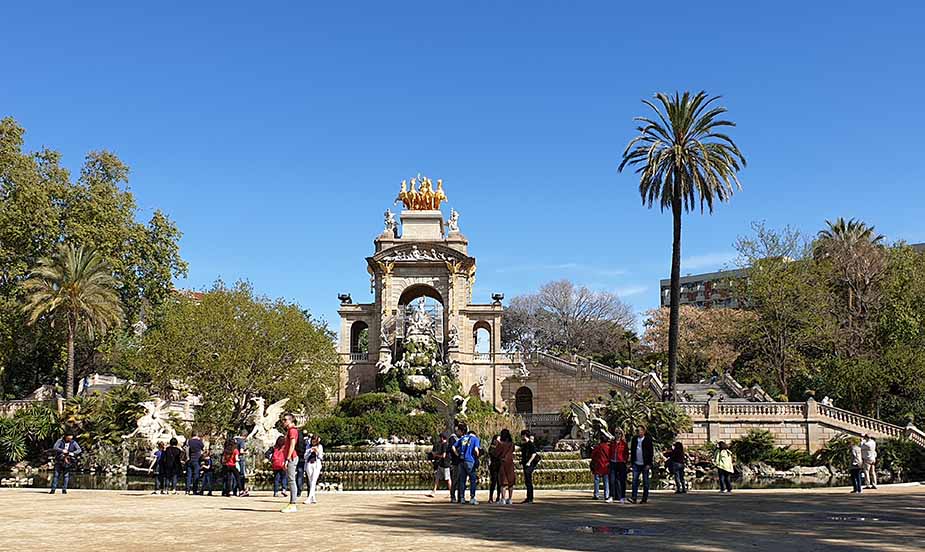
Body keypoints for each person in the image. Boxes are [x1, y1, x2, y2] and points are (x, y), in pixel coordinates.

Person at [453, 423, 481, 505]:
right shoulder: (475, 439)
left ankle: (462, 497)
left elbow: (453, 446)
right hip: (470, 460)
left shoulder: (463, 439)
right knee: (472, 480)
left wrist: (457, 454)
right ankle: (472, 497)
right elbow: (476, 450)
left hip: (462, 461)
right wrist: (477, 456)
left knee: (462, 480)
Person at [281, 413, 300, 513]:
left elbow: (292, 445)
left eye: (285, 420)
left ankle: (293, 503)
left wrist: (287, 459)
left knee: (292, 480)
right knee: (290, 480)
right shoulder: (289, 431)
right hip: (290, 457)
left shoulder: (292, 431)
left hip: (292, 458)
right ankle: (292, 503)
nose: (283, 422)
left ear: (290, 421)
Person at [629, 425, 653, 503]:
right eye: (637, 430)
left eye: (639, 430)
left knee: (645, 482)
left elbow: (650, 452)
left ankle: (644, 498)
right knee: (634, 481)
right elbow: (632, 450)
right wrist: (631, 462)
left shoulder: (648, 440)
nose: (638, 432)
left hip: (645, 463)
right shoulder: (634, 439)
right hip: (636, 463)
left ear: (643, 431)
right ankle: (634, 497)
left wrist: (649, 463)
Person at [495, 429, 516, 505]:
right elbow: (513, 451)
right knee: (510, 482)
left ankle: (503, 498)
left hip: (503, 463)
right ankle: (510, 499)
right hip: (510, 463)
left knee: (503, 482)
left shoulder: (500, 444)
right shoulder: (511, 444)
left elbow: (496, 453)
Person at [429, 433, 452, 499]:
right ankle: (434, 491)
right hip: (441, 464)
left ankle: (451, 493)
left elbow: (444, 455)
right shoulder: (444, 444)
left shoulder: (445, 445)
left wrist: (436, 455)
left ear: (442, 438)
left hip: (445, 464)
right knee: (437, 478)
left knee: (447, 479)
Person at [609, 430, 629, 504]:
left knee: (622, 481)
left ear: (622, 434)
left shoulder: (624, 444)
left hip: (621, 463)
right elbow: (610, 452)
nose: (618, 435)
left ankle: (622, 497)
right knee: (612, 480)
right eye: (616, 433)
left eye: (619, 433)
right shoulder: (612, 443)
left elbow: (626, 453)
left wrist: (625, 461)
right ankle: (611, 496)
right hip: (613, 462)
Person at [303, 434, 324, 505]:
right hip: (309, 464)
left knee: (314, 480)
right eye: (313, 441)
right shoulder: (308, 446)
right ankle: (313, 497)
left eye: (315, 441)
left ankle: (309, 498)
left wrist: (317, 452)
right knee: (310, 480)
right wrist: (310, 451)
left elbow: (321, 457)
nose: (313, 442)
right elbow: (305, 456)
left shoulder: (320, 446)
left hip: (316, 465)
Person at [520, 429, 539, 504]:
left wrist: (529, 462)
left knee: (529, 481)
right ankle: (528, 498)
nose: (521, 436)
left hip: (529, 465)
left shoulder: (531, 444)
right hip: (525, 464)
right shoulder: (524, 444)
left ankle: (530, 498)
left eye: (522, 435)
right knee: (527, 481)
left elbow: (534, 454)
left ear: (525, 435)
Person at [591, 434, 611, 501]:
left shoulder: (597, 447)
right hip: (606, 465)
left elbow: (593, 455)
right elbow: (610, 456)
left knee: (596, 480)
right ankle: (606, 495)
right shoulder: (608, 448)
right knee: (606, 481)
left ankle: (596, 494)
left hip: (598, 465)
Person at [447, 428, 461, 502]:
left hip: (461, 461)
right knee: (455, 479)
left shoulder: (462, 438)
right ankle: (453, 496)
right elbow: (451, 448)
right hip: (455, 462)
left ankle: (460, 496)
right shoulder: (452, 438)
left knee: (460, 480)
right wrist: (457, 454)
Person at [486, 434, 501, 503]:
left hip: (500, 466)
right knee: (493, 482)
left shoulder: (501, 447)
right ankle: (491, 497)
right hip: (494, 466)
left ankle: (498, 497)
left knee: (499, 482)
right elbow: (493, 455)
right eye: (497, 440)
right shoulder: (492, 447)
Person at [234, 431, 249, 497]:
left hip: (233, 459)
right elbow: (241, 451)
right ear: (245, 436)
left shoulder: (234, 439)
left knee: (234, 475)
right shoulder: (241, 441)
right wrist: (246, 452)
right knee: (241, 475)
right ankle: (241, 490)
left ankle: (233, 490)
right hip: (240, 459)